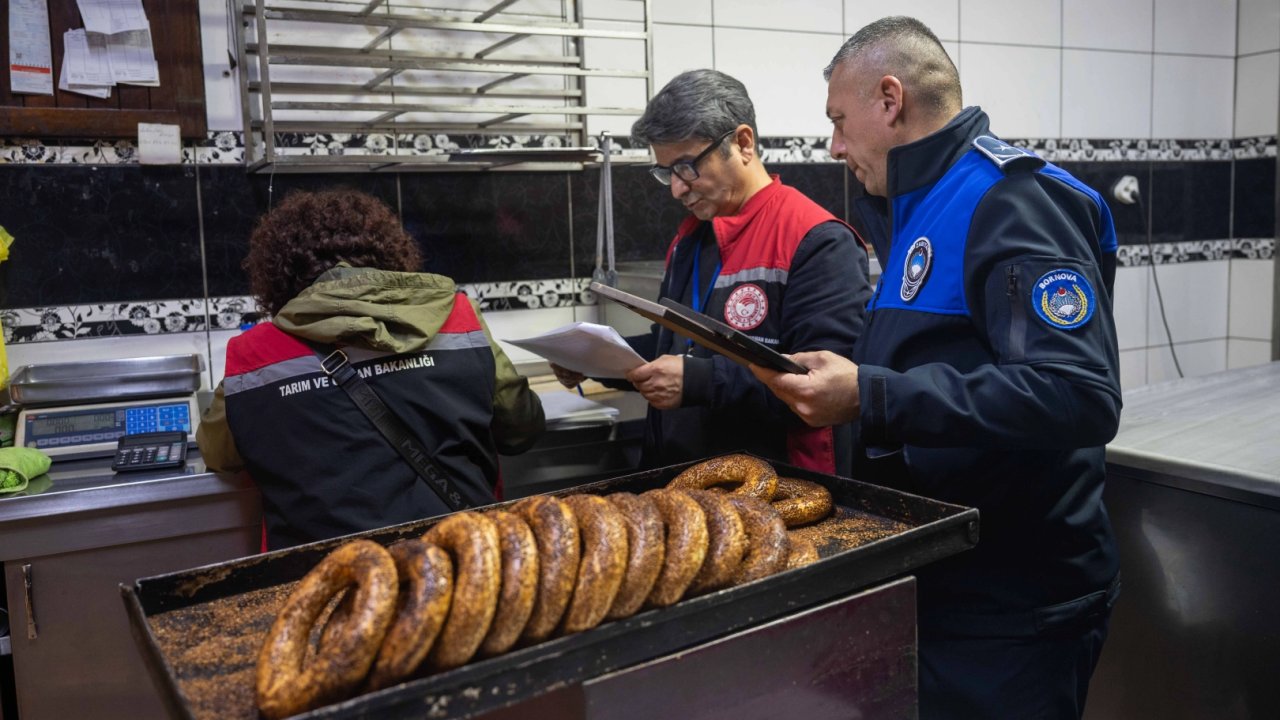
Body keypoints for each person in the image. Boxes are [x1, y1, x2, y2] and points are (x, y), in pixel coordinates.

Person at [749, 17, 1122, 720]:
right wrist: (847, 372)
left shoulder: (1010, 200)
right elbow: (944, 360)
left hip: (1015, 604)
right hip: (950, 584)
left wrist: (870, 394)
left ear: (890, 99)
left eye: (838, 120)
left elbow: (1078, 394)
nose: (834, 145)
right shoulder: (921, 206)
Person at [554, 69, 872, 475]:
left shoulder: (818, 241)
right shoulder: (691, 239)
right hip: (685, 483)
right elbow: (672, 346)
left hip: (778, 492)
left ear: (742, 143)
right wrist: (595, 359)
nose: (676, 188)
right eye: (666, 172)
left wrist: (700, 381)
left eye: (687, 166)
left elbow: (825, 388)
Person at [198, 189, 545, 549]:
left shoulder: (254, 356)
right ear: (390, 252)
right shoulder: (460, 320)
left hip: (329, 587)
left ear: (279, 273)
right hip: (464, 568)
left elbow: (218, 454)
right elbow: (522, 428)